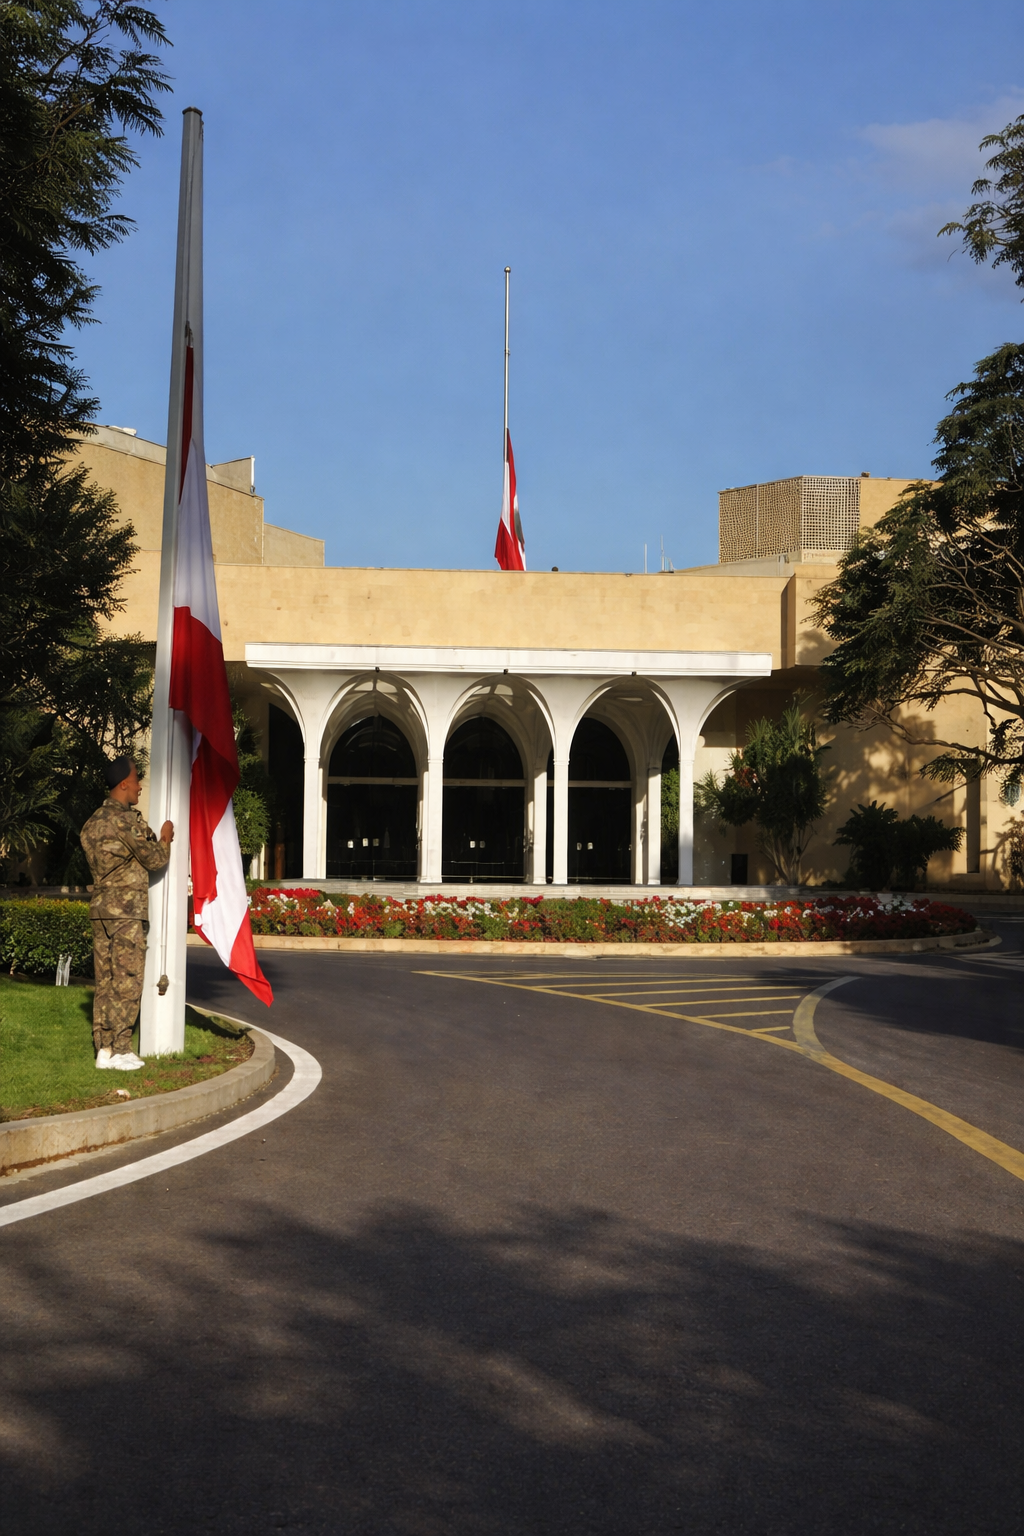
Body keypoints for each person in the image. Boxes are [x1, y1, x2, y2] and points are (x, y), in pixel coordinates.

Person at [80, 758, 174, 1071]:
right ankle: (121, 1049)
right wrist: (165, 837)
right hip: (126, 913)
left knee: (104, 982)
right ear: (123, 784)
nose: (139, 786)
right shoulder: (125, 821)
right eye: (135, 781)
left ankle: (103, 1049)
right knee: (127, 980)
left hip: (100, 911)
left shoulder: (92, 822)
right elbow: (154, 859)